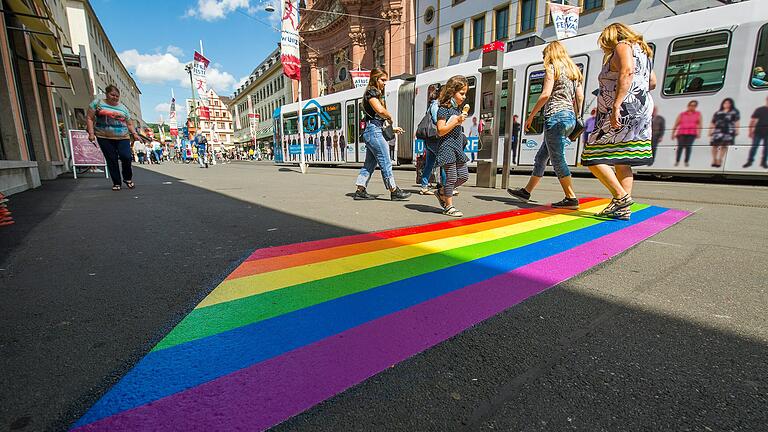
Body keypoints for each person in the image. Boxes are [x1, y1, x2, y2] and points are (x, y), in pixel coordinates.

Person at [581, 23, 656, 220]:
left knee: (591, 156)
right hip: (641, 107)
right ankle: (623, 208)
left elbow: (627, 71)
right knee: (623, 158)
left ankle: (621, 198)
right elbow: (653, 82)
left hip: (622, 107)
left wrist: (616, 105)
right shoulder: (644, 52)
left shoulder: (623, 46)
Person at [508, 41, 584, 210]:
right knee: (542, 157)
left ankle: (570, 197)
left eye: (544, 55)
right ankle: (526, 192)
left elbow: (545, 94)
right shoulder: (574, 71)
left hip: (555, 118)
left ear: (550, 53)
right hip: (570, 118)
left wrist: (530, 116)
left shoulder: (552, 67)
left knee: (557, 158)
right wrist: (576, 115)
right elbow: (580, 97)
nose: (544, 58)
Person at [353, 67, 411, 201]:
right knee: (385, 161)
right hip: (374, 132)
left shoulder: (373, 93)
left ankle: (360, 190)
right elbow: (380, 111)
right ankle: (394, 190)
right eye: (383, 80)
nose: (385, 83)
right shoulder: (371, 92)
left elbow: (376, 119)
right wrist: (389, 117)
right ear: (375, 79)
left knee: (369, 164)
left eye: (386, 80)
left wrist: (393, 128)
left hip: (372, 130)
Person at [86, 85, 140, 190]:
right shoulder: (97, 103)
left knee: (126, 157)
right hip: (104, 136)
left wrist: (135, 134)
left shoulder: (123, 108)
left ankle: (127, 178)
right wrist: (91, 133)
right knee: (112, 159)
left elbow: (129, 123)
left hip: (122, 136)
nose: (115, 97)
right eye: (112, 95)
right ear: (107, 94)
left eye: (117, 96)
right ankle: (116, 183)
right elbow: (89, 118)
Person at [434, 75, 472, 217]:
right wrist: (456, 122)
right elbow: (440, 130)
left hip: (457, 147)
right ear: (452, 92)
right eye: (461, 93)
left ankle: (442, 192)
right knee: (451, 177)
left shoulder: (457, 110)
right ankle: (449, 206)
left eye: (465, 94)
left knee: (463, 176)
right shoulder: (443, 109)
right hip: (447, 147)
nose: (463, 97)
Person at [419, 84, 447, 195]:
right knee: (445, 161)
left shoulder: (434, 104)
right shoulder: (436, 105)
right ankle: (445, 187)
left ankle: (424, 186)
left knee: (430, 163)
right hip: (434, 138)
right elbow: (437, 120)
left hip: (431, 139)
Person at [709, 98, 740, 168]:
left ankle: (720, 159)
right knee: (715, 146)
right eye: (725, 103)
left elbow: (737, 122)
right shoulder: (718, 112)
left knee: (724, 146)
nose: (727, 104)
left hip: (728, 132)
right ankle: (714, 159)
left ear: (731, 104)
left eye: (728, 103)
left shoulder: (734, 112)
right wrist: (710, 131)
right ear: (723, 104)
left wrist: (737, 130)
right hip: (717, 131)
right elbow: (713, 122)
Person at [671, 100, 701, 167]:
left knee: (688, 147)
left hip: (691, 133)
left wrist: (699, 133)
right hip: (681, 133)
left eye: (694, 105)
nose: (692, 107)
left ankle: (686, 161)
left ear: (696, 107)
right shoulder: (682, 114)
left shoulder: (697, 114)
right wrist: (673, 133)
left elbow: (699, 124)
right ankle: (677, 161)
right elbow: (676, 124)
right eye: (691, 105)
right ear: (688, 106)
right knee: (680, 147)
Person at [745, 95, 768, 168]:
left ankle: (763, 162)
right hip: (758, 131)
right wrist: (750, 131)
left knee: (766, 148)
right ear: (766, 100)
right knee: (754, 147)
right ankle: (749, 161)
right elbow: (753, 121)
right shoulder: (760, 109)